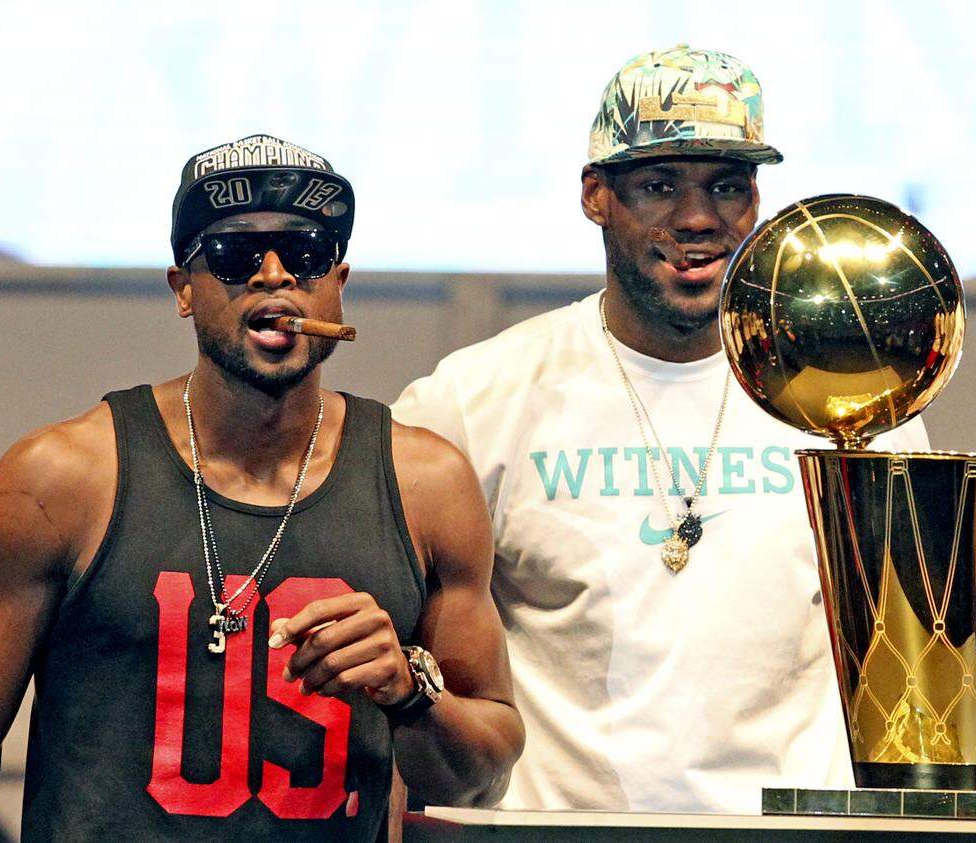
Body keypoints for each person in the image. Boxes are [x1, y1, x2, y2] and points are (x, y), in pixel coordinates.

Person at [0, 134, 524, 841]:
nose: (275, 275)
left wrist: (409, 690)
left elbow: (481, 778)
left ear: (339, 280)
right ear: (183, 289)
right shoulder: (64, 476)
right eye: (235, 255)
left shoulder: (426, 485)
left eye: (305, 252)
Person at [392, 46, 929, 813]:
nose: (698, 217)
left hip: (792, 839)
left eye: (727, 186)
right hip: (562, 839)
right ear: (594, 195)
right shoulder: (473, 402)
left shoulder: (857, 404)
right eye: (658, 185)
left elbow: (909, 687)